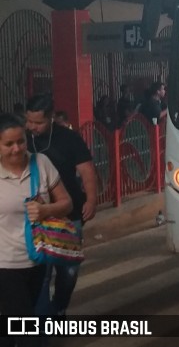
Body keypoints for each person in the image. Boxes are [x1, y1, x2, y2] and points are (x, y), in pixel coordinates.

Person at [25, 93, 99, 317]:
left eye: (38, 122)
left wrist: (92, 199)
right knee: (41, 273)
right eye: (29, 121)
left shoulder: (69, 138)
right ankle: (44, 321)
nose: (32, 127)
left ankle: (59, 307)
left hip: (69, 214)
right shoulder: (23, 141)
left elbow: (86, 170)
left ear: (51, 118)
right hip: (36, 216)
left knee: (68, 271)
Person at [0, 113, 71, 347]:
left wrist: (45, 210)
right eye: (8, 144)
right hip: (5, 265)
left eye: (20, 141)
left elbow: (66, 203)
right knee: (23, 326)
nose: (16, 148)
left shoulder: (41, 163)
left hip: (38, 260)